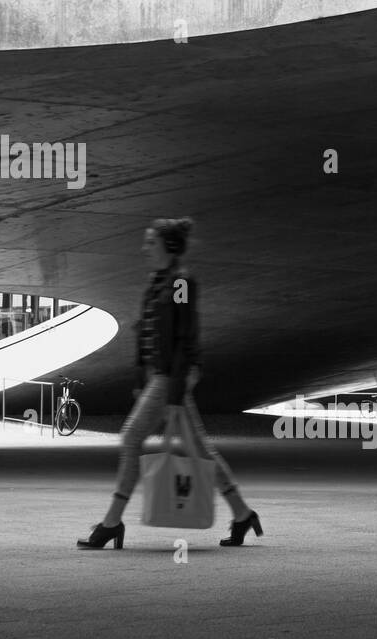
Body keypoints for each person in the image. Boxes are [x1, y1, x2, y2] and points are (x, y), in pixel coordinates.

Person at [78, 217, 262, 549]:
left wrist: (175, 390)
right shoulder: (158, 282)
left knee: (131, 437)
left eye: (151, 242)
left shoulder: (180, 283)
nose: (144, 248)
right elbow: (144, 333)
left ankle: (111, 523)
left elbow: (185, 338)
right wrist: (140, 377)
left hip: (168, 379)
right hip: (157, 377)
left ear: (168, 246)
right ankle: (242, 514)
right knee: (202, 451)